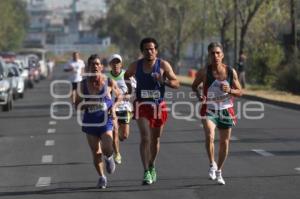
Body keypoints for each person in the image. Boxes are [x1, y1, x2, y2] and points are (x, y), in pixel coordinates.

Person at [124, 37, 180, 185]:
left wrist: (164, 81)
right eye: (146, 49)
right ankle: (146, 171)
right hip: (142, 105)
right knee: (145, 137)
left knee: (155, 139)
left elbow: (176, 83)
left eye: (152, 49)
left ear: (156, 50)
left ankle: (151, 165)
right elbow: (126, 76)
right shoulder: (136, 65)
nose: (149, 51)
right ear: (142, 51)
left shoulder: (163, 65)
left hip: (158, 106)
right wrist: (130, 90)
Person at [192, 42, 242, 185]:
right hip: (209, 108)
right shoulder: (204, 72)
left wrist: (230, 90)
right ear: (209, 55)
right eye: (212, 53)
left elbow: (240, 91)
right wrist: (199, 95)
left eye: (218, 53)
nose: (215, 56)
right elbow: (194, 86)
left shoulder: (231, 72)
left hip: (226, 110)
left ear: (222, 55)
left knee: (224, 142)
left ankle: (219, 171)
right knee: (210, 135)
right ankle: (211, 164)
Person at [75, 54, 121, 189]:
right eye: (92, 64)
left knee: (107, 147)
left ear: (101, 67)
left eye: (97, 64)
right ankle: (102, 177)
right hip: (90, 121)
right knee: (95, 152)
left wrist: (113, 108)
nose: (94, 66)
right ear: (88, 67)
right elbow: (76, 105)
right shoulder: (82, 85)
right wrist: (87, 105)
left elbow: (120, 96)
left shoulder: (109, 82)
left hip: (105, 119)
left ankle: (109, 157)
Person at [107, 53, 134, 165]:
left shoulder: (127, 76)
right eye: (113, 62)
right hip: (112, 109)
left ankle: (117, 139)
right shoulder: (107, 77)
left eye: (117, 62)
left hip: (124, 107)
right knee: (115, 131)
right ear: (110, 64)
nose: (116, 65)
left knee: (124, 136)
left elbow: (132, 92)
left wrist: (128, 96)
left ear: (121, 64)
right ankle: (117, 154)